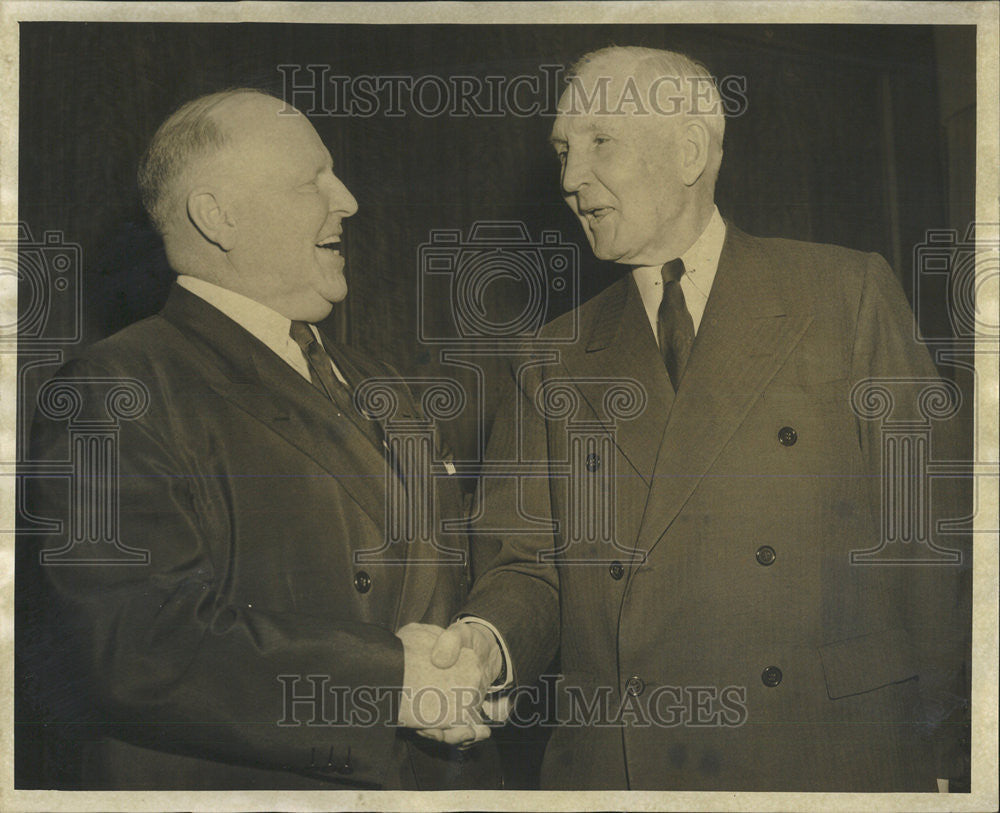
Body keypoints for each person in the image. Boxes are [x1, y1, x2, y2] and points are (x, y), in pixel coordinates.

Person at [423, 46, 970, 791]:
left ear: (688, 149)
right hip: (628, 765)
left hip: (830, 753)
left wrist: (946, 747)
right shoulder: (548, 355)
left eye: (598, 142)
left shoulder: (844, 293)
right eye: (561, 151)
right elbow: (526, 566)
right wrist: (487, 642)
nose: (570, 179)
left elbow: (930, 535)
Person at [20, 89, 497, 790]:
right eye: (314, 179)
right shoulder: (113, 388)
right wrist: (394, 680)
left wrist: (479, 659)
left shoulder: (376, 383)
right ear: (218, 216)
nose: (349, 200)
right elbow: (132, 642)